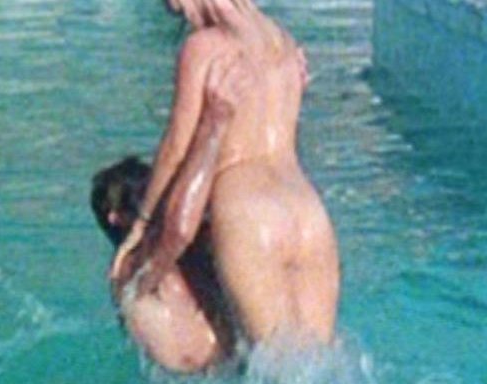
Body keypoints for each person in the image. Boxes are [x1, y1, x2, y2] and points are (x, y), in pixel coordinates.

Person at [110, 0, 340, 347]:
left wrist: (142, 224)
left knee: (273, 367)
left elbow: (176, 148)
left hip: (250, 213)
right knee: (319, 362)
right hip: (308, 209)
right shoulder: (282, 41)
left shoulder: (203, 48)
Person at [90, 56, 248, 373]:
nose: (156, 206)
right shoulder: (129, 270)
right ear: (116, 217)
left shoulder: (192, 254)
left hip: (226, 382)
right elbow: (176, 233)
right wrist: (214, 122)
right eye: (142, 198)